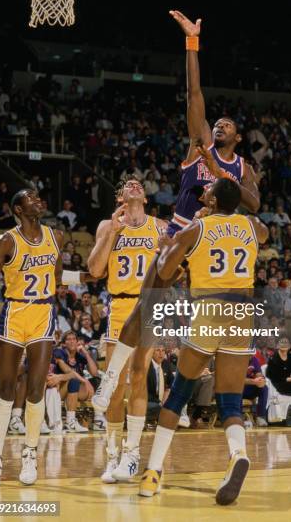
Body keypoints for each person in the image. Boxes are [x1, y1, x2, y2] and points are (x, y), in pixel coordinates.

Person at [92, 10, 261, 418]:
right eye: (215, 124)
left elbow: (254, 204)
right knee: (144, 307)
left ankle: (210, 402)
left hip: (216, 242)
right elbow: (194, 94)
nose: (217, 126)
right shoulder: (195, 148)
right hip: (182, 232)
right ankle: (111, 377)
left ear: (238, 137)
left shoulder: (243, 168)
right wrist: (192, 42)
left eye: (226, 125)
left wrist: (221, 174)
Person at [138, 178, 268, 506]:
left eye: (207, 192)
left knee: (179, 392)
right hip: (242, 313)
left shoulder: (194, 230)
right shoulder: (254, 226)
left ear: (210, 200)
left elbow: (165, 273)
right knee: (230, 401)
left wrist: (172, 251)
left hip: (210, 309)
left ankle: (153, 472)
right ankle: (237, 452)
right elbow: (261, 228)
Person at [0, 189, 91, 486]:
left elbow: (57, 277)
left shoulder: (54, 236)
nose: (39, 200)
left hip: (43, 314)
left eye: (39, 196)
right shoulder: (7, 241)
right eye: (31, 197)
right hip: (14, 313)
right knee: (6, 387)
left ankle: (30, 454)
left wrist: (85, 278)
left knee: (36, 387)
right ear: (18, 208)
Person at [88, 178, 168, 482]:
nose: (133, 185)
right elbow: (95, 270)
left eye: (138, 184)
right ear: (120, 196)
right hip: (119, 307)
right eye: (127, 184)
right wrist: (113, 233)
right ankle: (112, 454)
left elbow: (170, 270)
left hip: (147, 305)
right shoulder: (107, 227)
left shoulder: (160, 227)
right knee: (115, 383)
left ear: (145, 198)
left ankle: (132, 453)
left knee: (138, 377)